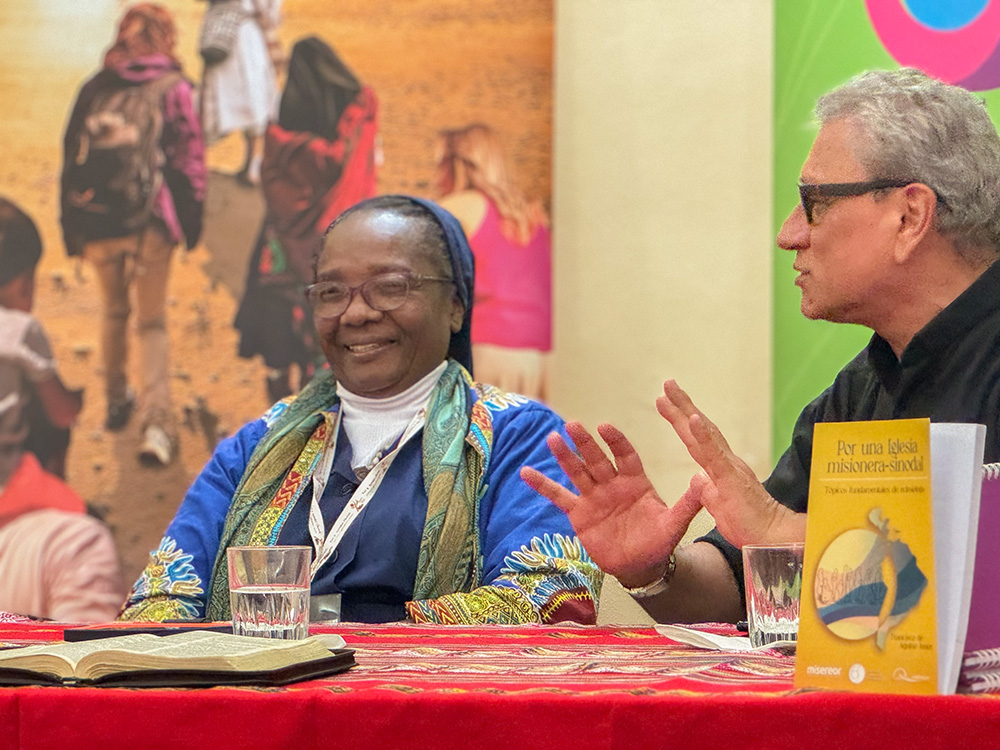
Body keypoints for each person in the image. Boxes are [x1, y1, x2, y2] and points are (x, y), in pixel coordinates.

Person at [522, 67, 1000, 624]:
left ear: (910, 216)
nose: (789, 233)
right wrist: (653, 569)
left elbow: (974, 586)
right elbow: (745, 590)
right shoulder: (864, 384)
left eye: (814, 202)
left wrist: (788, 532)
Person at [121, 195, 601, 625]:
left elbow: (547, 596)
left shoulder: (519, 435)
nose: (355, 313)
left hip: (428, 712)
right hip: (259, 711)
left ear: (455, 305)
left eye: (390, 287)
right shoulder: (255, 446)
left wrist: (359, 640)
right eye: (331, 292)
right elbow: (160, 599)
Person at [60, 3, 206, 467]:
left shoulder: (96, 84)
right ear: (165, 36)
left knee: (113, 311)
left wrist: (72, 226)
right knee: (152, 322)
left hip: (98, 220)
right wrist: (191, 219)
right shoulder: (175, 87)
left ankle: (116, 399)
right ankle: (157, 426)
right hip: (151, 224)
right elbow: (189, 160)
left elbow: (70, 156)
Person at [0, 196, 125, 623]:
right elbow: (59, 413)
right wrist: (75, 399)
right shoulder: (19, 329)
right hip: (11, 487)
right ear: (19, 281)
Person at [234, 36, 379, 402]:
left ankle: (281, 428)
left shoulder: (280, 144)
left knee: (278, 350)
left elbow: (269, 181)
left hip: (280, 264)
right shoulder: (348, 144)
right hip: (341, 261)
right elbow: (364, 113)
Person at [435, 124, 552, 401]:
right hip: (539, 356)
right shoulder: (533, 217)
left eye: (441, 164)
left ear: (459, 164)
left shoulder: (459, 206)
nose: (437, 175)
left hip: (487, 348)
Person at [199, 0, 282, 187]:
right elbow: (268, 9)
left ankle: (200, 162)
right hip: (246, 36)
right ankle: (253, 165)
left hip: (221, 32)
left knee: (218, 99)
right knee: (255, 99)